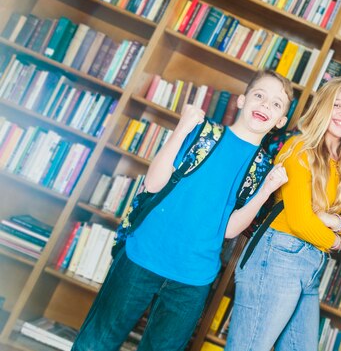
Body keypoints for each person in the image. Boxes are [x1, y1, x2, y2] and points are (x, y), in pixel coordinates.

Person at [72, 71, 294, 351]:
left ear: (281, 121)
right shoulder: (203, 133)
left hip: (193, 279)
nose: (264, 106)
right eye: (259, 96)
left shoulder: (262, 168)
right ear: (241, 100)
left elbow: (229, 230)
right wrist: (181, 129)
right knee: (96, 343)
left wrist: (265, 192)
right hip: (142, 255)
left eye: (276, 104)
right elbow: (152, 184)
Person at [225, 77, 341, 351]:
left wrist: (329, 219)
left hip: (311, 267)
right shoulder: (300, 148)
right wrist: (336, 241)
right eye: (337, 104)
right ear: (324, 105)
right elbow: (301, 222)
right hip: (277, 258)